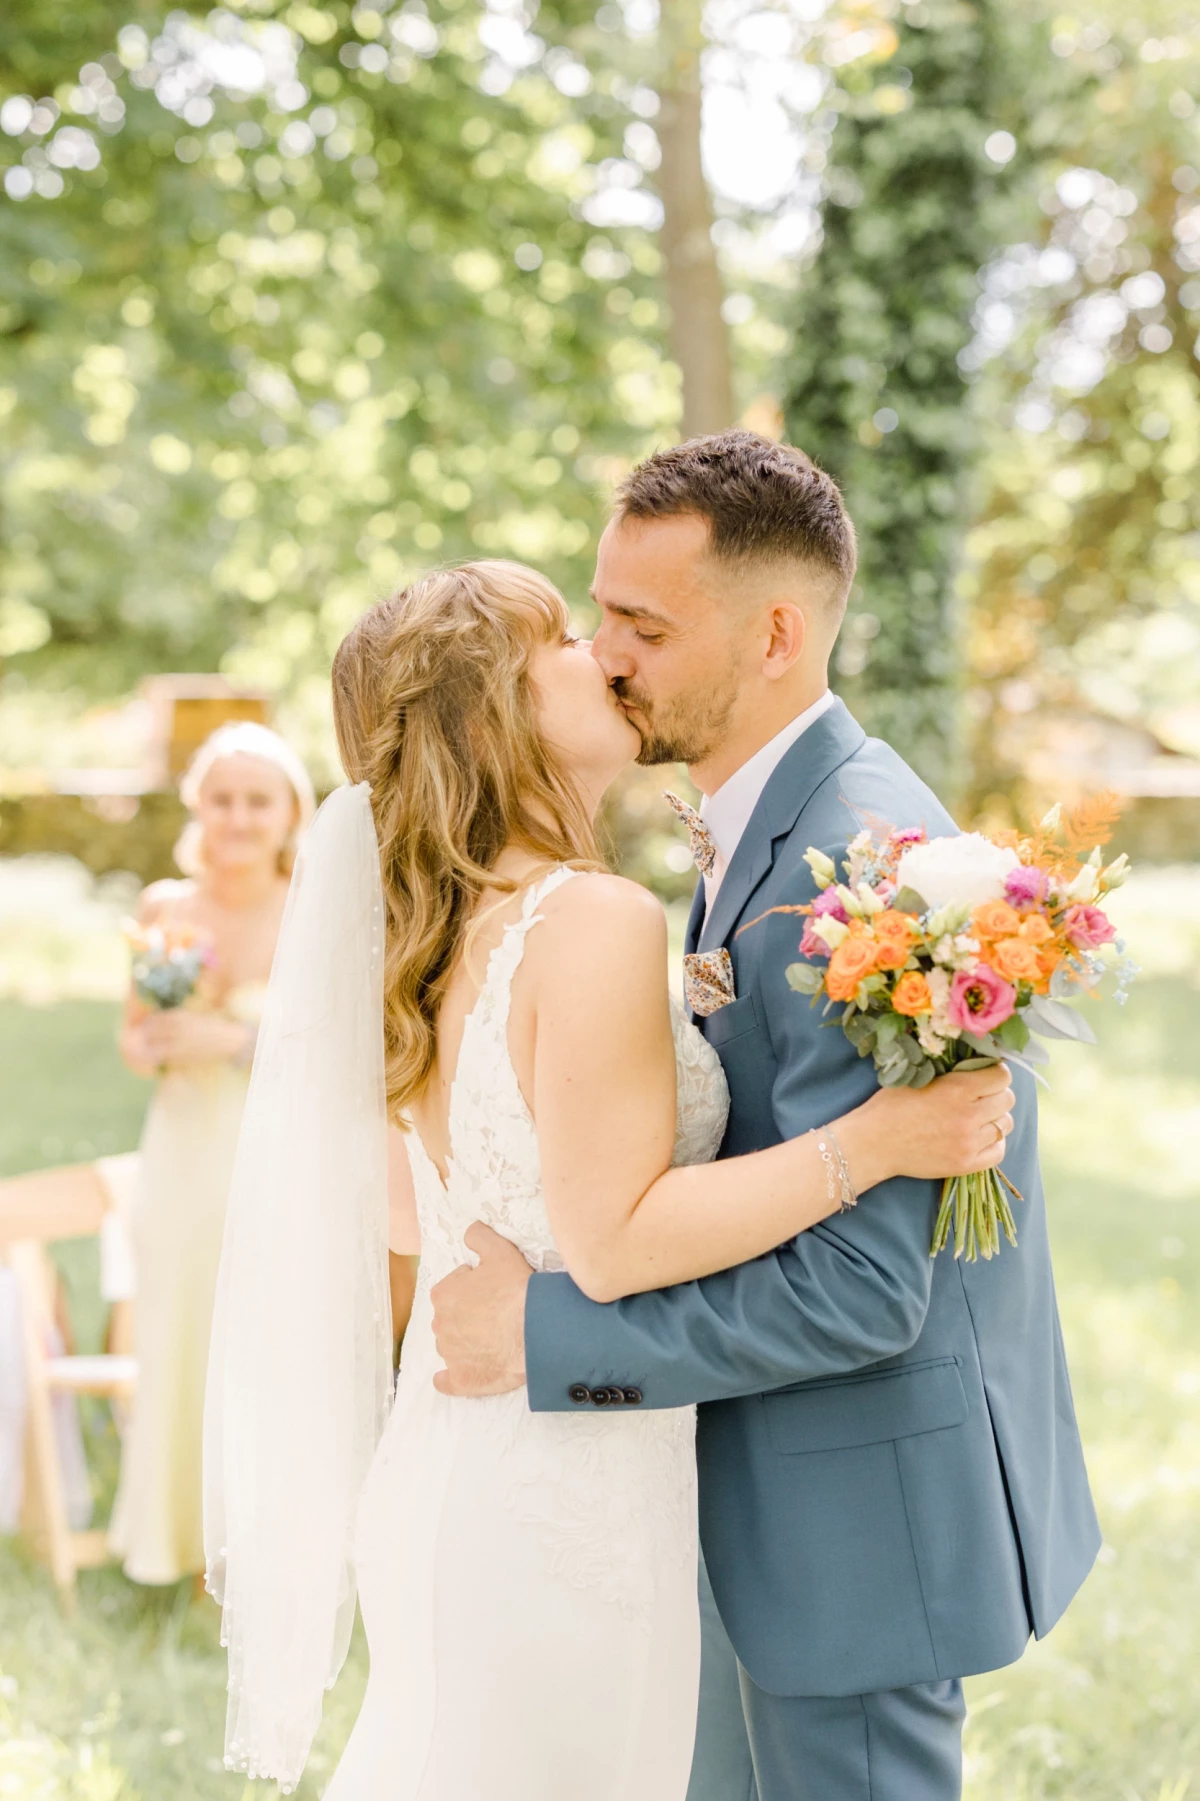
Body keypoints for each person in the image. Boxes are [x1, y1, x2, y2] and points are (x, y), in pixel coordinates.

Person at [204, 553, 1019, 1800]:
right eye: (568, 642)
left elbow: (430, 1196)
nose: (608, 653)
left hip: (458, 1463)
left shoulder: (434, 935)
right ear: (508, 712)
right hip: (557, 1507)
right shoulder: (588, 919)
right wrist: (880, 1144)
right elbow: (618, 1241)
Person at [429, 435, 1101, 1801]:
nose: (606, 651)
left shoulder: (863, 867)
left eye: (644, 625)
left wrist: (545, 1338)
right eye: (601, 612)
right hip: (768, 1502)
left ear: (779, 632)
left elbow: (862, 1297)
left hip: (855, 1538)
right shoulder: (765, 825)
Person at [110, 722, 314, 1585]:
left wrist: (228, 1037)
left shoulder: (312, 901)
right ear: (199, 805)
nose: (238, 816)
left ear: (288, 812)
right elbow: (129, 1038)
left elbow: (333, 1042)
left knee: (266, 1336)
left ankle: (260, 1551)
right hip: (185, 1148)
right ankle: (173, 1541)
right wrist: (159, 1040)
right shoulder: (165, 907)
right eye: (222, 798)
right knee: (180, 1325)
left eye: (256, 800)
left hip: (276, 1146)